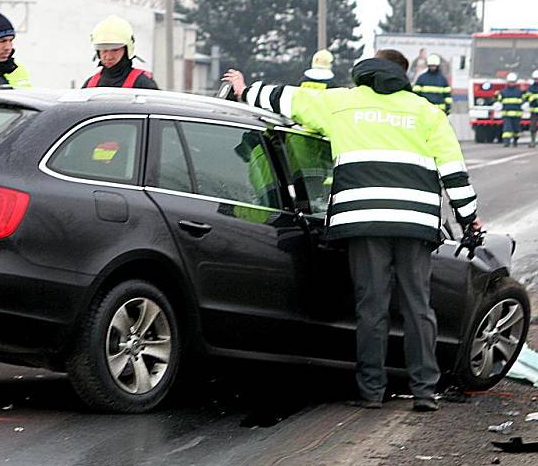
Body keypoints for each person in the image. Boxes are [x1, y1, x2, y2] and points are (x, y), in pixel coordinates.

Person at [222, 49, 481, 412]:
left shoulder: (342, 103)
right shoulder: (426, 112)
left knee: (372, 306)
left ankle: (372, 392)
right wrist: (469, 220)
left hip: (363, 220)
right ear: (404, 74)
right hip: (415, 224)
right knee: (418, 307)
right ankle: (424, 391)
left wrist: (245, 89)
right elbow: (454, 173)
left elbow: (287, 98)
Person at [82, 15, 158, 89]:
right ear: (98, 52)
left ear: (126, 50)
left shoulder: (143, 84)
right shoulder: (89, 86)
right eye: (104, 50)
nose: (108, 57)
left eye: (115, 50)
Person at [495, 72, 526, 147]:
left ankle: (515, 140)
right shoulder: (503, 92)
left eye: (513, 82)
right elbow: (498, 101)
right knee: (507, 129)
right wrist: (496, 96)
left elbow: (524, 101)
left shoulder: (519, 92)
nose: (511, 83)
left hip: (517, 115)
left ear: (515, 82)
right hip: (506, 114)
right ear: (507, 82)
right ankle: (506, 142)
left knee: (516, 129)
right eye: (510, 82)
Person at [526, 70, 538, 148]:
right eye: (535, 79)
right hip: (534, 110)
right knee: (533, 127)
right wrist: (532, 98)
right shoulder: (531, 87)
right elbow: (527, 97)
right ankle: (533, 141)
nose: (536, 80)